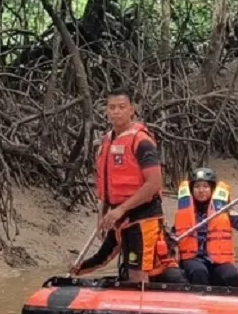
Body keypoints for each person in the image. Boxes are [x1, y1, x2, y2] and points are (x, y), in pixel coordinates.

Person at [69, 88, 183, 283]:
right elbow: (105, 185)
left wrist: (120, 210)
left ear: (132, 110)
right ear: (105, 111)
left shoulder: (142, 141)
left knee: (137, 273)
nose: (116, 112)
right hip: (118, 214)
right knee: (112, 259)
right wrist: (102, 217)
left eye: (121, 107)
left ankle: (144, 307)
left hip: (143, 215)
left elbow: (154, 183)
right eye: (111, 107)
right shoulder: (105, 141)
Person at [171, 167, 238, 287]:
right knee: (199, 271)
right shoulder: (184, 212)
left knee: (231, 275)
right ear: (191, 189)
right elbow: (174, 234)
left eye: (205, 186)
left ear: (212, 189)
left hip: (217, 260)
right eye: (197, 187)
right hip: (193, 259)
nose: (201, 190)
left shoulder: (224, 211)